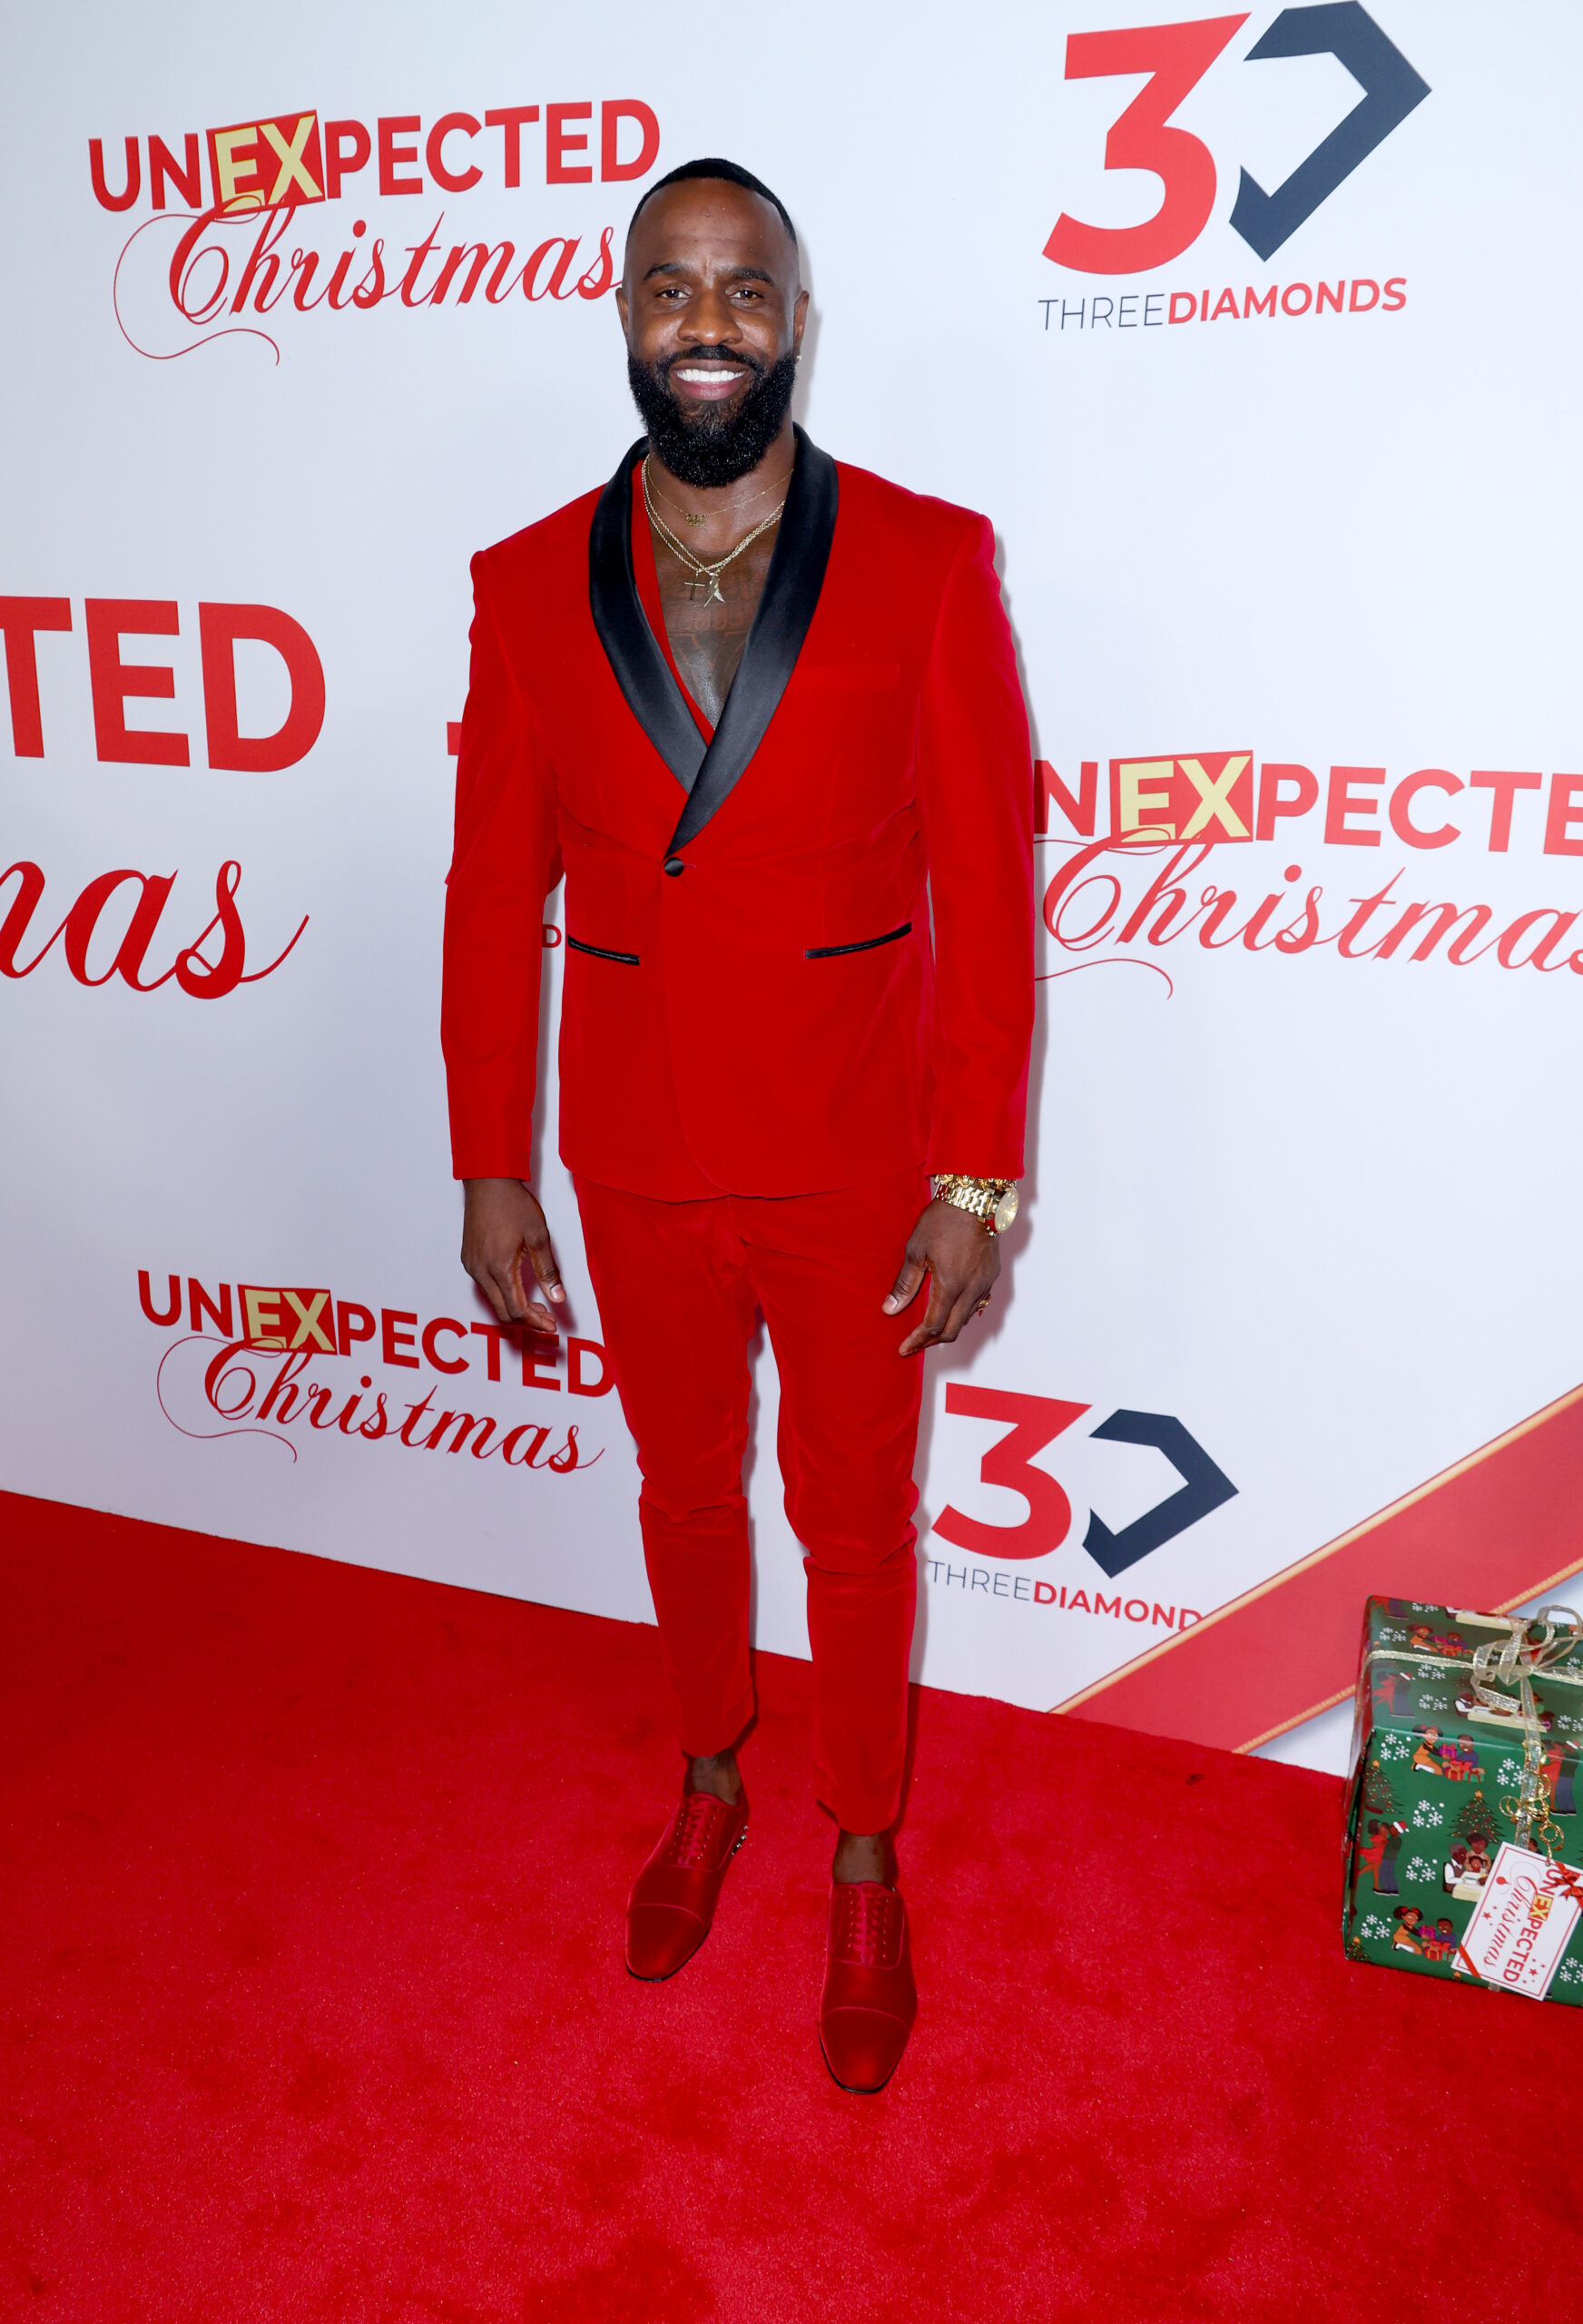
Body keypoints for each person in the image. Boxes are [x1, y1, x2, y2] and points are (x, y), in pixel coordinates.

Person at [441, 157, 1033, 2092]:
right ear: (625, 314)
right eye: (670, 287)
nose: (707, 323)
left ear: (795, 321)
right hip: (630, 1151)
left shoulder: (929, 560)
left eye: (744, 288)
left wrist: (976, 1180)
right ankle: (710, 1774)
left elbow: (986, 889)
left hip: (855, 1156)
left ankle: (861, 1848)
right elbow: (488, 894)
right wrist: (490, 1164)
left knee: (853, 1527)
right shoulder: (524, 580)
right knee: (683, 1492)